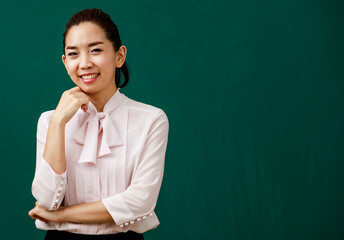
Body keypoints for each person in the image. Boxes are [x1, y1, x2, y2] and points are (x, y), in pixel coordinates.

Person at [28, 8, 169, 240]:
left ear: (119, 56)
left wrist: (60, 216)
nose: (84, 63)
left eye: (95, 50)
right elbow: (46, 201)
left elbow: (140, 202)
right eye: (73, 54)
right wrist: (57, 123)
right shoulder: (49, 120)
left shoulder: (151, 119)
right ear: (65, 62)